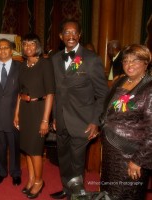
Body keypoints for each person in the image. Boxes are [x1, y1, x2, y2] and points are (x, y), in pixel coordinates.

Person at [50, 19, 109, 199]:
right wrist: (54, 117)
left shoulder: (91, 59)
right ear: (61, 36)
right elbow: (56, 91)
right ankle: (68, 189)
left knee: (77, 162)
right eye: (66, 32)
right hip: (61, 120)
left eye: (74, 32)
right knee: (64, 159)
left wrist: (95, 122)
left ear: (79, 35)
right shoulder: (54, 59)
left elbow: (103, 94)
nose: (71, 35)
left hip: (82, 121)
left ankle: (77, 195)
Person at [100, 44, 152, 199]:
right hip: (111, 149)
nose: (129, 65)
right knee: (108, 191)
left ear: (146, 63)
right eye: (126, 61)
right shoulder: (120, 81)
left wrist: (138, 161)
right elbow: (111, 109)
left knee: (126, 194)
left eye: (135, 61)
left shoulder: (149, 89)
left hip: (130, 153)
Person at [14, 33, 55, 199]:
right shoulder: (23, 66)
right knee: (27, 149)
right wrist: (16, 114)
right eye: (25, 44)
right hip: (24, 110)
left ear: (37, 46)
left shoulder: (45, 64)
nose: (28, 47)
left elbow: (51, 94)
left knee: (36, 150)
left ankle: (39, 181)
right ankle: (31, 178)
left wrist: (46, 120)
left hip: (39, 110)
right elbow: (20, 92)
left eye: (32, 44)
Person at [0, 38, 22, 186]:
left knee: (14, 146)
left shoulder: (20, 67)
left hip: (14, 114)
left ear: (12, 50)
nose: (2, 50)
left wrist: (19, 114)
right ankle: (1, 172)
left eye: (6, 47)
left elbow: (23, 91)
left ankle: (16, 173)